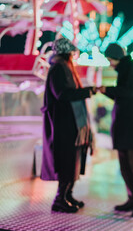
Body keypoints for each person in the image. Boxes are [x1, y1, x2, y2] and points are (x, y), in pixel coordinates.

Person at [41, 37, 96, 213]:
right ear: (66, 55)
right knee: (66, 161)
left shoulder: (65, 68)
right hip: (63, 125)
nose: (74, 56)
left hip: (70, 124)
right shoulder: (58, 69)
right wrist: (87, 91)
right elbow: (62, 94)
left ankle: (67, 194)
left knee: (73, 160)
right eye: (72, 53)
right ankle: (60, 199)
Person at [100, 43, 133, 217]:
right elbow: (123, 94)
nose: (109, 63)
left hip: (132, 126)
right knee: (125, 166)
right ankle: (132, 199)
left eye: (110, 59)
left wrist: (108, 89)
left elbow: (129, 92)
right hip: (123, 126)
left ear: (117, 57)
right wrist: (106, 91)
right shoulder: (124, 70)